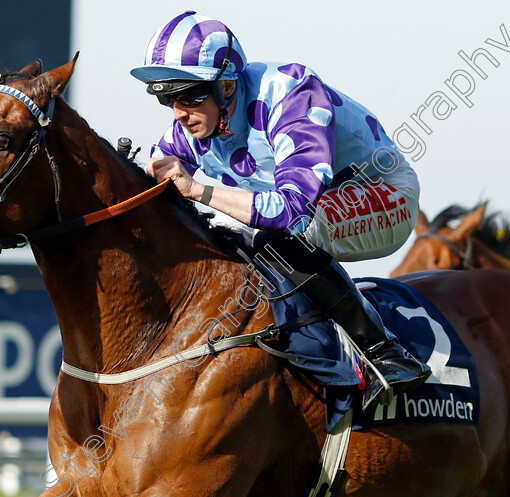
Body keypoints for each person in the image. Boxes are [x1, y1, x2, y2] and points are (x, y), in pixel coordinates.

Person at [131, 11, 430, 410]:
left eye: (188, 95)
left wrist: (199, 189)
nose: (179, 113)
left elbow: (290, 211)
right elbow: (160, 175)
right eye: (167, 98)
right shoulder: (196, 123)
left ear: (225, 86)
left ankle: (384, 354)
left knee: (282, 233)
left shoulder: (291, 94)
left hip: (381, 192)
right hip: (311, 205)